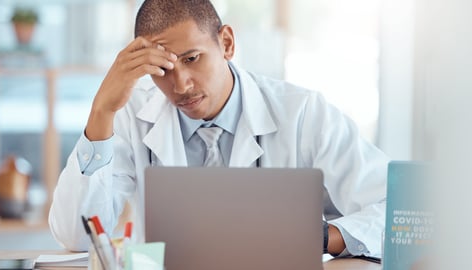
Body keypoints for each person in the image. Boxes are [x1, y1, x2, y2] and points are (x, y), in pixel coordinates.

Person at [49, 0, 389, 258]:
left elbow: (395, 211)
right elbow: (75, 236)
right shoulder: (129, 114)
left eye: (192, 58)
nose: (180, 84)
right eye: (161, 68)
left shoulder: (303, 113)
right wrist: (101, 111)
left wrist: (322, 237)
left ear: (226, 43)